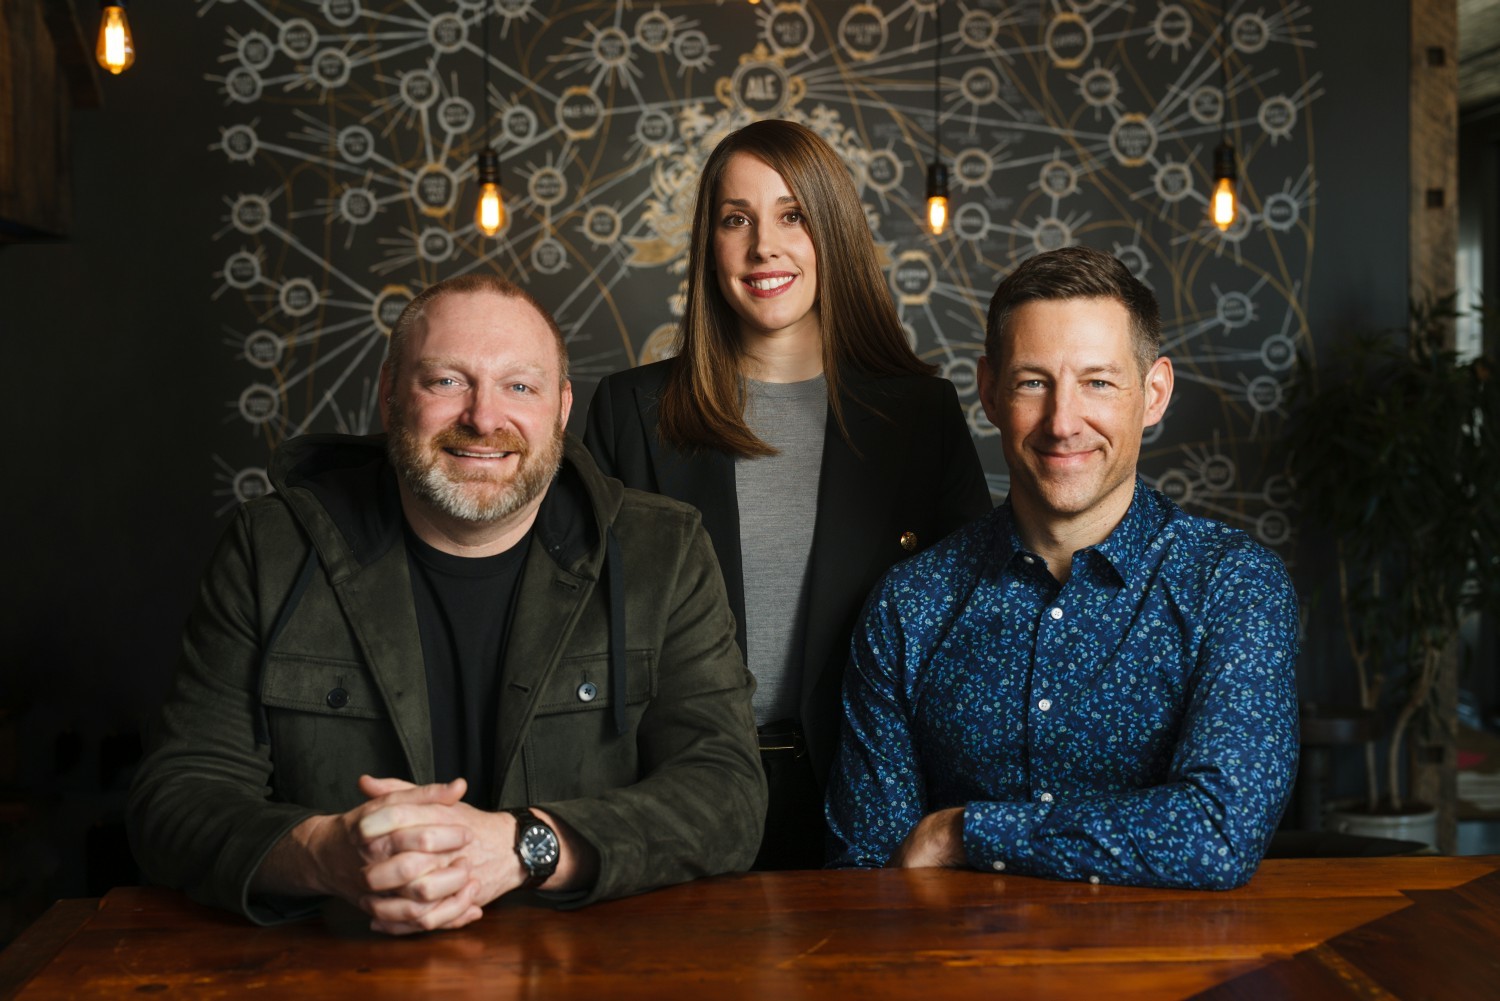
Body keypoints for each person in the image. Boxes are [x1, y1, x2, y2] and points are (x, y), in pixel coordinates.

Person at [128, 274, 767, 933]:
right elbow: (177, 796)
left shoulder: (664, 551)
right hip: (334, 969)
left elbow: (728, 796)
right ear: (388, 395)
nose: (484, 417)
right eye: (447, 381)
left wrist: (525, 845)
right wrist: (322, 853)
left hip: (586, 970)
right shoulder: (272, 547)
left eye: (519, 385)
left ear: (562, 407)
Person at [584, 119, 991, 869]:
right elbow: (581, 623)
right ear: (710, 244)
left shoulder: (918, 415)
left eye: (792, 215)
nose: (763, 245)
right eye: (736, 219)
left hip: (871, 802)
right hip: (672, 794)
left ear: (831, 232)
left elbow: (971, 624)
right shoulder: (631, 411)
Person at [825, 246, 1299, 889]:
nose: (1062, 422)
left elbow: (1216, 835)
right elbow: (868, 869)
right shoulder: (910, 604)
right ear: (990, 391)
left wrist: (961, 833)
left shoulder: (1233, 586)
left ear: (1153, 393)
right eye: (1033, 382)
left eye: (1098, 382)